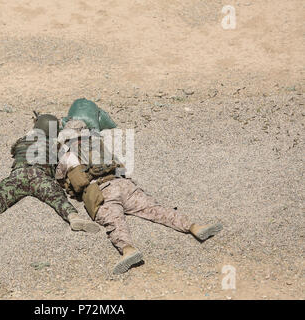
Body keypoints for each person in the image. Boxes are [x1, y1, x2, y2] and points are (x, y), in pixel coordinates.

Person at [56, 99, 223, 274]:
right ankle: (194, 227)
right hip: (124, 185)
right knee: (155, 209)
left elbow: (61, 178)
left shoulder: (68, 154)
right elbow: (119, 166)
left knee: (115, 222)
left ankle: (128, 250)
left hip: (102, 192)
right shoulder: (99, 145)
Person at [0, 114, 100, 234]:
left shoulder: (23, 141)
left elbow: (14, 150)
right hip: (40, 176)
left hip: (18, 174)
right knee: (58, 199)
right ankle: (73, 217)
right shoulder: (56, 145)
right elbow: (65, 161)